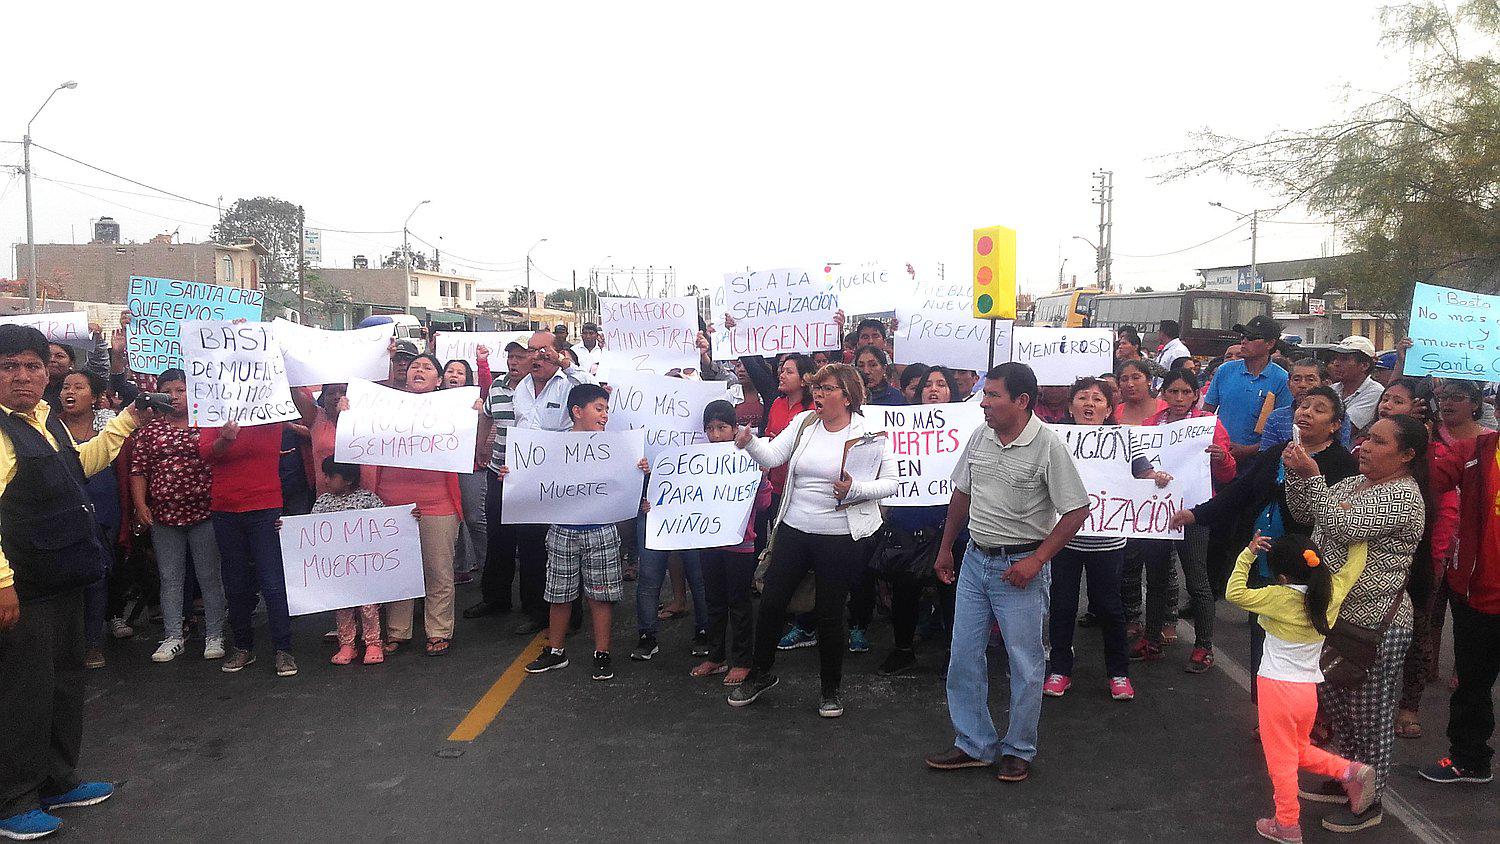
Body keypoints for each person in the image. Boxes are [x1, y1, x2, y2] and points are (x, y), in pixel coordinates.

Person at [0, 324, 139, 841]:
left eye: (33, 366)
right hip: (24, 587)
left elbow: (77, 466)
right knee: (22, 692)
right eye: (10, 366)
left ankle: (58, 779)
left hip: (63, 578)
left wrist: (126, 421)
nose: (24, 377)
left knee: (63, 682)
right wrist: (3, 584)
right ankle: (13, 799)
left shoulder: (45, 420)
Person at [924, 363, 1090, 783]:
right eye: (985, 394)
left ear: (1021, 401)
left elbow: (1076, 510)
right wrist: (946, 548)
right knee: (962, 656)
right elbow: (962, 492)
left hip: (1020, 570)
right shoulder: (981, 435)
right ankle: (974, 744)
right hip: (975, 562)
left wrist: (1037, 560)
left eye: (993, 395)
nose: (983, 402)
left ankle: (1018, 749)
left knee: (1026, 664)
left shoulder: (1048, 446)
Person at [727, 364, 898, 717]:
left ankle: (830, 688)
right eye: (816, 388)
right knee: (772, 602)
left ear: (848, 397)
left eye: (827, 389)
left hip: (838, 536)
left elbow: (891, 484)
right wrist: (749, 444)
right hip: (793, 527)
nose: (818, 394)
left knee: (830, 612)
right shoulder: (805, 423)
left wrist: (857, 490)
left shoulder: (870, 433)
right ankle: (760, 674)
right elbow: (774, 456)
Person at [1285, 415, 1426, 833]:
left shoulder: (1403, 496)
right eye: (1367, 436)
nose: (1364, 445)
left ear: (1406, 455)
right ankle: (1345, 776)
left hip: (1375, 625)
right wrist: (1298, 475)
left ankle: (1369, 799)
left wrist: (1313, 478)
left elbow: (1342, 525)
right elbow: (1308, 513)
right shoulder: (1351, 485)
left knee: (1371, 716)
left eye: (1379, 442)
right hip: (1334, 617)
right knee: (1339, 708)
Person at [1173, 387, 1359, 676]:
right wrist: (1196, 514)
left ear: (1335, 425)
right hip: (1262, 557)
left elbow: (1335, 515)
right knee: (1260, 632)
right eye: (1303, 406)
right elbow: (1240, 491)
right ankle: (1263, 703)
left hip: (1303, 565)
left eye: (1318, 409)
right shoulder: (1278, 451)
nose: (1306, 412)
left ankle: (1299, 702)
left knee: (1297, 640)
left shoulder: (1343, 463)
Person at [1226, 533, 1376, 842]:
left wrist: (1248, 553)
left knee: (1280, 762)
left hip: (1276, 690)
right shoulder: (1330, 592)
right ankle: (1350, 771)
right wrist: (1358, 532)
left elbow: (1233, 592)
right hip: (1307, 691)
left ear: (1282, 576)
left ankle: (1287, 824)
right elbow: (1355, 566)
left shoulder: (1277, 597)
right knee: (1297, 751)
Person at [1044, 377, 1170, 703]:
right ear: (1070, 406)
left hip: (1107, 540)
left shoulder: (1125, 439)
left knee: (1110, 608)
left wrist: (1157, 478)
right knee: (1062, 605)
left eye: (1097, 399)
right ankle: (1059, 668)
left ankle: (1119, 672)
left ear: (1109, 408)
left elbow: (1143, 471)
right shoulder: (1055, 439)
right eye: (1082, 398)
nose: (1090, 404)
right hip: (1064, 541)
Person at [520, 384, 648, 682]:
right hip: (563, 531)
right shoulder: (554, 447)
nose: (604, 415)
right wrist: (513, 476)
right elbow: (534, 478)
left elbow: (626, 486)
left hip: (601, 531)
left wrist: (640, 468)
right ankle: (555, 651)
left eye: (606, 409)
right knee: (559, 594)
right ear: (577, 411)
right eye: (598, 408)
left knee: (600, 596)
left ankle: (602, 653)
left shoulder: (618, 448)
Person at [1418, 410, 1500, 786]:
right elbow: (1431, 478)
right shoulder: (1476, 450)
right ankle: (1470, 759)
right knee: (1472, 682)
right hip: (1480, 591)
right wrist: (1420, 441)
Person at [365, 354, 462, 657]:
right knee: (398, 571)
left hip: (438, 502)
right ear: (405, 375)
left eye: (427, 367)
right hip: (391, 501)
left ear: (438, 379)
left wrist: (474, 413)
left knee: (438, 571)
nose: (419, 370)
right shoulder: (384, 405)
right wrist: (347, 411)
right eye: (414, 367)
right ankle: (397, 631)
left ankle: (438, 630)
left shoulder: (453, 408)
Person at [128, 368, 227, 665]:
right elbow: (139, 469)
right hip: (165, 515)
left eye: (181, 390)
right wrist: (140, 504)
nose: (174, 396)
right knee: (170, 578)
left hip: (205, 512)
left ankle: (215, 634)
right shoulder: (150, 430)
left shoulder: (209, 425)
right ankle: (173, 636)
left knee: (209, 577)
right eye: (168, 391)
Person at [1143, 369, 1236, 673]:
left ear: (1196, 395)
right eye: (1173, 392)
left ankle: (1204, 646)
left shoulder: (1209, 426)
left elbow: (1227, 476)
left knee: (1197, 580)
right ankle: (1152, 638)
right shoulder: (1150, 426)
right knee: (1156, 579)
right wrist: (1149, 474)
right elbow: (1137, 466)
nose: (1180, 398)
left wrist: (1222, 458)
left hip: (1195, 513)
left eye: (1186, 392)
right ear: (1164, 395)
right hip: (1159, 511)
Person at [877, 366, 967, 676]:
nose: (933, 389)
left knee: (952, 593)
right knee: (905, 590)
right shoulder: (901, 426)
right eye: (928, 384)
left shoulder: (967, 425)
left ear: (951, 392)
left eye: (941, 384)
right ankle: (903, 649)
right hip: (909, 520)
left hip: (952, 523)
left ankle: (954, 652)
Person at [507, 331, 597, 635]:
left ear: (557, 353)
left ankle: (571, 615)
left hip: (562, 480)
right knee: (532, 547)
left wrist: (566, 364)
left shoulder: (568, 384)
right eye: (532, 351)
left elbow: (592, 391)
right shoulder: (521, 389)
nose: (537, 356)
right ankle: (536, 611)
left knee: (566, 548)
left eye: (544, 350)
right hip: (529, 479)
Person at [201, 411, 295, 677]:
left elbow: (297, 396)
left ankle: (283, 648)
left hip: (265, 507)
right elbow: (207, 453)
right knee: (236, 583)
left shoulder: (272, 411)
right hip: (226, 509)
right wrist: (225, 439)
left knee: (273, 582)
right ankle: (243, 646)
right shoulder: (214, 414)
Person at [690, 400, 771, 685]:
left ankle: (742, 660)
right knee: (713, 601)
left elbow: (764, 505)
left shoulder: (749, 458)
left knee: (739, 603)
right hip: (707, 542)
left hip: (739, 544)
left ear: (734, 428)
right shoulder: (697, 461)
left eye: (722, 427)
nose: (715, 434)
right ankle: (716, 656)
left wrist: (760, 480)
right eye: (709, 428)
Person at [466, 341, 529, 620]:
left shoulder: (540, 388)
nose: (513, 362)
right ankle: (495, 598)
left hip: (530, 478)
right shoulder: (497, 387)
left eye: (519, 357)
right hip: (498, 473)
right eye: (510, 357)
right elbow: (487, 416)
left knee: (529, 542)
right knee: (497, 536)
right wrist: (481, 444)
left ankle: (533, 606)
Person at [310, 458, 388, 666]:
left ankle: (373, 642)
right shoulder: (322, 502)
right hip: (339, 568)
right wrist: (287, 528)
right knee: (343, 605)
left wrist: (408, 518)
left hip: (364, 566)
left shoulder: (368, 499)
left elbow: (387, 523)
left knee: (369, 605)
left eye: (331, 476)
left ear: (348, 479)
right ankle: (347, 644)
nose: (325, 480)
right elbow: (310, 530)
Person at [1205, 315, 1292, 464]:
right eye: (1243, 336)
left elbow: (1282, 430)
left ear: (1270, 343)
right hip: (1219, 458)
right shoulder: (1224, 370)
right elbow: (1206, 413)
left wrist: (1248, 450)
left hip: (1258, 463)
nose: (1244, 341)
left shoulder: (1283, 379)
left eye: (1252, 338)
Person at [441, 354, 487, 585]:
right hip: (442, 467)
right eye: (450, 371)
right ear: (442, 377)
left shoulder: (474, 402)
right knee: (452, 517)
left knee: (473, 517)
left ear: (467, 379)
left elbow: (488, 388)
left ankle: (488, 564)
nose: (454, 376)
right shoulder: (431, 400)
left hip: (469, 466)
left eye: (460, 373)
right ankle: (459, 567)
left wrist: (479, 411)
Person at [1260, 358, 1353, 451]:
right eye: (1296, 379)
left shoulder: (1339, 416)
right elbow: (1265, 457)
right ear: (1289, 384)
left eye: (1310, 380)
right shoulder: (1276, 417)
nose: (1302, 385)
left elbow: (1341, 455)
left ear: (1325, 384)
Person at [1328, 336, 1382, 433]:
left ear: (1364, 365)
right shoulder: (1333, 389)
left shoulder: (1375, 392)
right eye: (1336, 358)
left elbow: (1344, 428)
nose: (1336, 363)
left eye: (1344, 359)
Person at [1113, 359, 1165, 426]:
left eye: (1136, 378)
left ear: (1149, 380)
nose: (1130, 384)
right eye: (1124, 379)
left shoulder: (1167, 409)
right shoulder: (1114, 414)